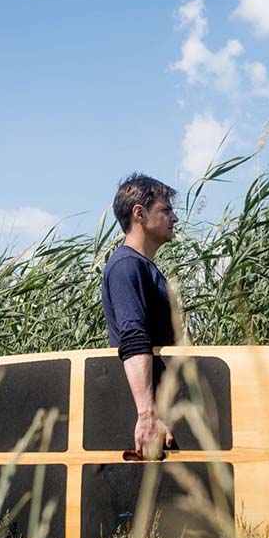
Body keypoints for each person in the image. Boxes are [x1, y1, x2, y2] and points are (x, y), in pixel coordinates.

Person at [101, 173, 180, 458]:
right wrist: (147, 415)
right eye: (166, 210)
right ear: (140, 214)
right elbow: (133, 339)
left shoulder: (144, 267)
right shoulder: (126, 267)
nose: (175, 218)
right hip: (154, 417)